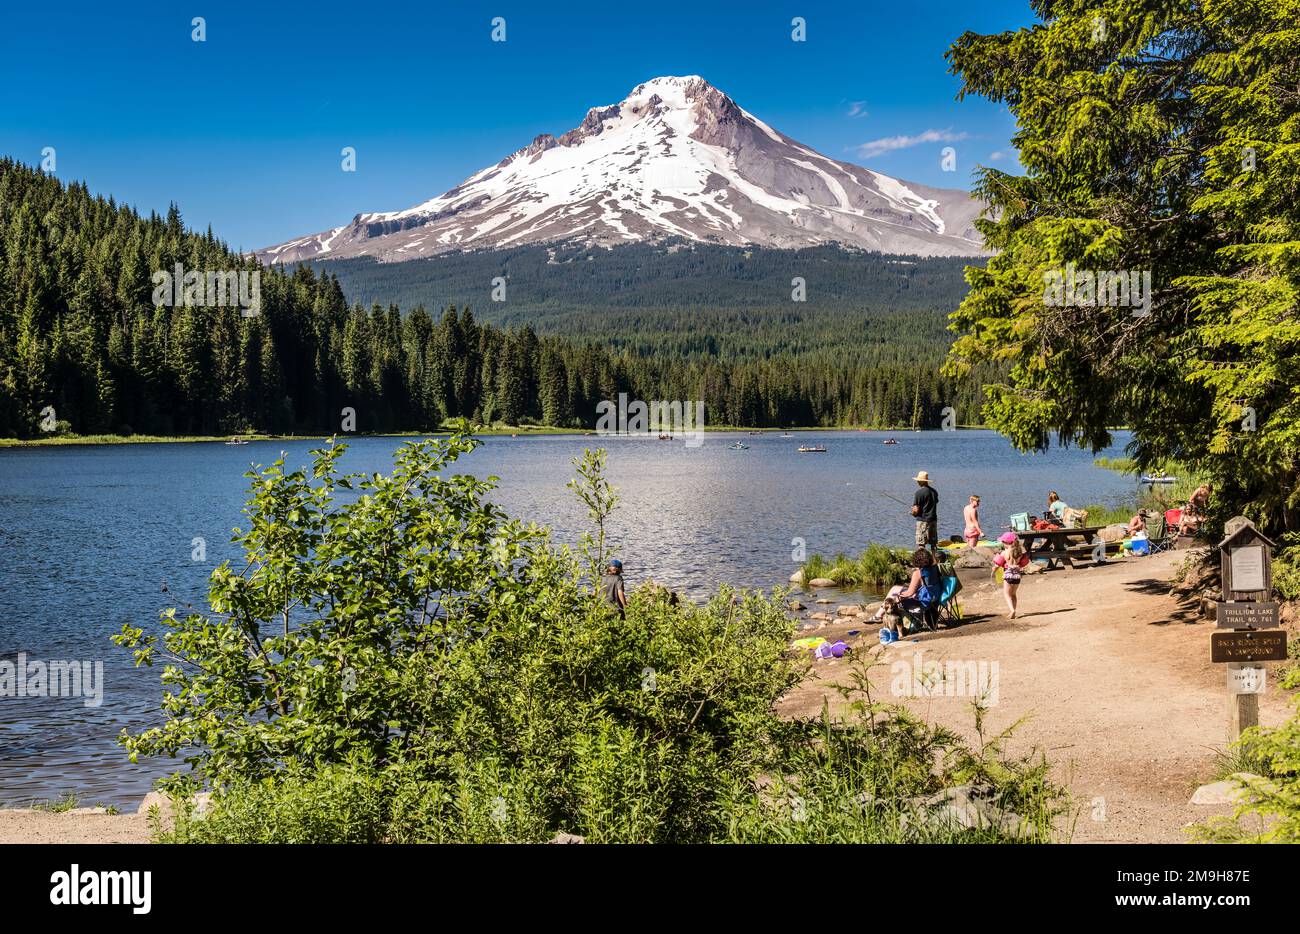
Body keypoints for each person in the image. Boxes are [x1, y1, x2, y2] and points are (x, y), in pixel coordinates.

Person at [873, 548, 942, 639]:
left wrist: (898, 597)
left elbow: (910, 593)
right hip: (934, 597)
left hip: (923, 601)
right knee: (895, 588)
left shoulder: (918, 573)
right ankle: (879, 614)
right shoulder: (934, 568)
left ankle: (879, 615)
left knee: (894, 595)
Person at [992, 531, 1030, 619]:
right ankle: (1014, 611)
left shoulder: (1004, 553)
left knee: (1006, 594)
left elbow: (997, 564)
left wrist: (994, 569)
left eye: (1003, 542)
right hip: (1017, 575)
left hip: (1008, 575)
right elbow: (1024, 562)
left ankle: (1012, 610)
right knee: (1013, 594)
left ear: (1006, 543)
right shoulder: (1019, 552)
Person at [911, 471, 939, 553]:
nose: (917, 482)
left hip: (923, 521)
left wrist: (913, 513)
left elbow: (915, 510)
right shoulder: (934, 492)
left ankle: (922, 563)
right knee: (933, 544)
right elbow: (934, 503)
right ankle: (935, 562)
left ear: (921, 481)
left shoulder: (919, 493)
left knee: (921, 544)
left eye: (918, 480)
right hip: (933, 520)